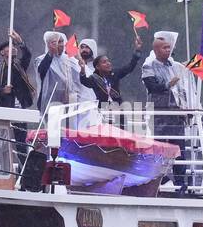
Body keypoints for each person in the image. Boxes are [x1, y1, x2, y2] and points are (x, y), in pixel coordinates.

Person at [142, 31, 191, 190]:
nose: (168, 51)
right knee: (160, 149)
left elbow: (182, 89)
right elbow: (153, 87)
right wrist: (169, 84)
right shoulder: (148, 66)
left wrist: (186, 108)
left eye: (169, 48)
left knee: (179, 149)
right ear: (156, 50)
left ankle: (180, 181)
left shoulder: (174, 66)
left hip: (176, 115)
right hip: (160, 114)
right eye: (164, 48)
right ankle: (158, 180)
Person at [0, 30, 35, 167]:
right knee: (4, 140)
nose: (13, 48)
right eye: (9, 46)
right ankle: (5, 167)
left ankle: (23, 168)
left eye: (14, 46)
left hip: (19, 104)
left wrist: (20, 41)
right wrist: (2, 90)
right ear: (2, 52)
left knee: (21, 139)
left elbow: (28, 54)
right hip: (5, 106)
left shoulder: (19, 65)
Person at [82, 34, 143, 106]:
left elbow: (130, 67)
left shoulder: (115, 73)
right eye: (104, 62)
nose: (108, 63)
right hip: (102, 110)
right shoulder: (94, 78)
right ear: (97, 67)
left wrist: (138, 50)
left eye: (108, 61)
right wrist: (82, 71)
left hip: (118, 109)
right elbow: (84, 81)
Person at [35, 31, 84, 115]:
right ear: (48, 44)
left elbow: (79, 80)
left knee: (68, 127)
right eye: (56, 42)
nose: (60, 44)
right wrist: (50, 53)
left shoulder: (70, 60)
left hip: (68, 103)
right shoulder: (41, 59)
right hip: (49, 103)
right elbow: (41, 71)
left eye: (61, 41)